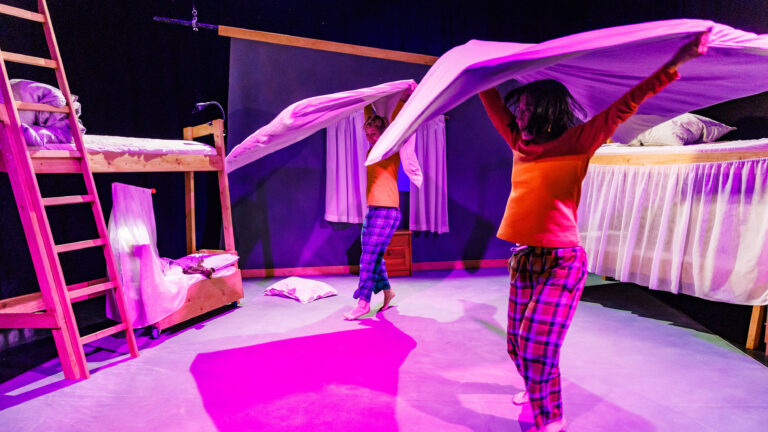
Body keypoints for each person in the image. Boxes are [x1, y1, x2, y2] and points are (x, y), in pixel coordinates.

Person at [478, 33, 708, 432]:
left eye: (529, 111)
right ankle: (535, 386)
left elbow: (626, 105)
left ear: (548, 114)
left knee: (537, 343)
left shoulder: (578, 141)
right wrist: (474, 67)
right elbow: (492, 101)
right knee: (517, 343)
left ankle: (551, 416)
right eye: (521, 110)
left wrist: (677, 62)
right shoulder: (518, 141)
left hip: (562, 262)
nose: (521, 117)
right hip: (524, 258)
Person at [344, 89, 411, 320]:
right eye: (368, 134)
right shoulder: (372, 149)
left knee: (368, 258)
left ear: (383, 133)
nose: (370, 137)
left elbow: (399, 124)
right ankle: (388, 291)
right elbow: (368, 118)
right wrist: (367, 100)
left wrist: (403, 99)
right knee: (372, 254)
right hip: (374, 210)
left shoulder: (390, 148)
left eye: (374, 133)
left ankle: (363, 303)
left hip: (387, 210)